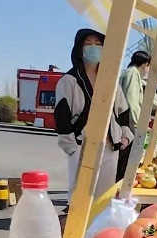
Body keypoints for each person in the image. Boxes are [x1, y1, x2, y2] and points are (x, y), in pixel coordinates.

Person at [55, 29, 133, 209]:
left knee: (105, 198)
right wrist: (71, 148)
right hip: (82, 146)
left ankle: (99, 234)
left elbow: (123, 113)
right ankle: (77, 235)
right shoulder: (69, 81)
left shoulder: (111, 80)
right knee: (78, 196)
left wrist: (125, 136)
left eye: (98, 44)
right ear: (79, 48)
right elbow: (62, 117)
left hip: (109, 146)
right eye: (88, 43)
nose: (93, 48)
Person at [116, 50, 151, 182]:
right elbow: (132, 101)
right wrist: (137, 125)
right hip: (128, 126)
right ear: (145, 64)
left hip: (127, 124)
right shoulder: (132, 74)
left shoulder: (131, 73)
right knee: (124, 164)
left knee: (123, 163)